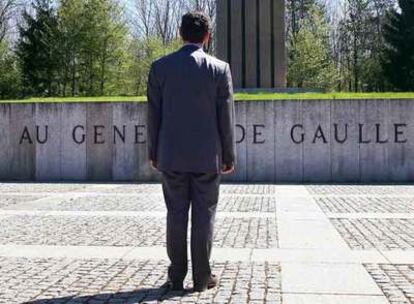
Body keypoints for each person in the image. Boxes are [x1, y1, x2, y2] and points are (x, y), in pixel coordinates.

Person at [146, 11, 236, 292]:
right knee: (204, 215)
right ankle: (201, 277)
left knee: (175, 214)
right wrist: (228, 155)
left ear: (179, 33)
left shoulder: (160, 68)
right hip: (207, 157)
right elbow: (226, 117)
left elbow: (153, 115)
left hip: (171, 155)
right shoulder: (219, 69)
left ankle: (175, 276)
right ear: (207, 37)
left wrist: (153, 152)